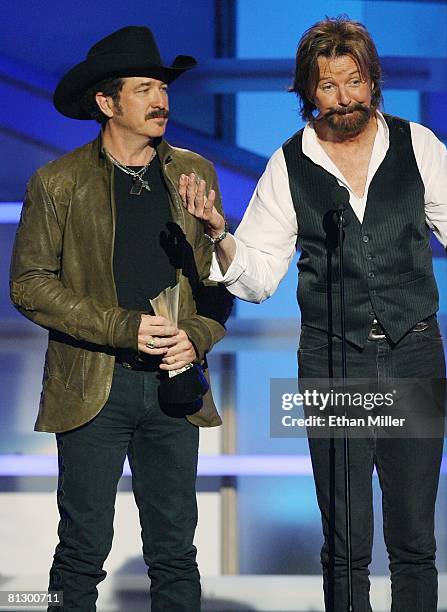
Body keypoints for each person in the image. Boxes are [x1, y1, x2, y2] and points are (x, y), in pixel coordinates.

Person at [180, 16, 447, 612]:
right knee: (346, 542)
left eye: (353, 83)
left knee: (413, 538)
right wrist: (221, 237)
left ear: (372, 81)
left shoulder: (419, 146)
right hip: (334, 361)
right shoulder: (289, 165)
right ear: (309, 93)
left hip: (412, 352)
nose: (343, 99)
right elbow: (256, 276)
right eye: (328, 87)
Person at [10, 26, 233, 612]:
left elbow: (219, 286)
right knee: (80, 551)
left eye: (162, 87)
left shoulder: (194, 173)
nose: (160, 99)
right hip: (91, 387)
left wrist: (197, 339)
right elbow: (28, 285)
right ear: (106, 103)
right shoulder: (59, 182)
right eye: (143, 88)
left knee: (176, 553)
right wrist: (122, 326)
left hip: (173, 387)